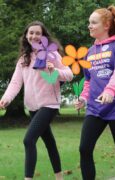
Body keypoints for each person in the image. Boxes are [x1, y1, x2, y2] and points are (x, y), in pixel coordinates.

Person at [0, 21, 73, 180]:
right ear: (26, 36)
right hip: (32, 106)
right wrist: (5, 99)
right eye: (31, 33)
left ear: (43, 36)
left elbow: (69, 74)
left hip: (49, 104)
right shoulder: (23, 59)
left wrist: (55, 71)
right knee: (49, 142)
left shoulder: (52, 54)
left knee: (28, 140)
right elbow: (15, 82)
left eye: (37, 33)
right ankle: (59, 177)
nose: (34, 35)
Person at [75, 5, 115, 180]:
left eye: (93, 23)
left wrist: (111, 90)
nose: (89, 26)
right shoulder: (89, 52)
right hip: (95, 108)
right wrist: (83, 97)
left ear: (106, 25)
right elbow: (88, 80)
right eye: (89, 23)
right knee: (84, 149)